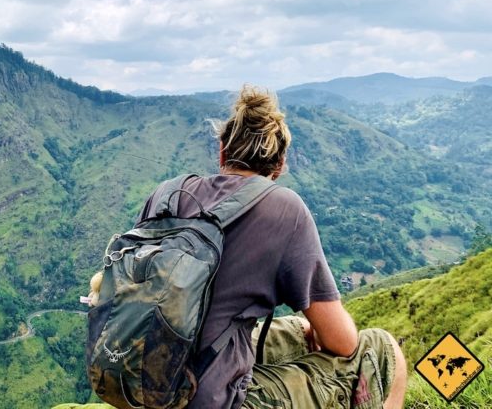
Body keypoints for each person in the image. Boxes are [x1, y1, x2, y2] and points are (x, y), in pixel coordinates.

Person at [134, 85, 406, 409]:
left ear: (222, 152)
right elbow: (344, 343)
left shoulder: (167, 194)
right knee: (382, 349)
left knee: (301, 331)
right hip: (212, 400)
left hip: (142, 386)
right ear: (279, 166)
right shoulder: (285, 210)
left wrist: (309, 328)